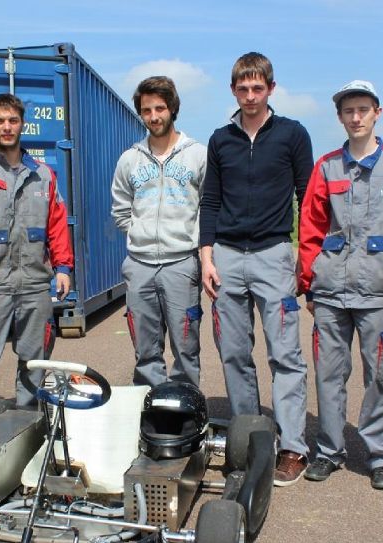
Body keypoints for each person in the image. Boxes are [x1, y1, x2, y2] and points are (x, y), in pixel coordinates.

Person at [298, 80, 383, 490]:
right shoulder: (326, 167)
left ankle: (379, 455)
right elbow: (310, 227)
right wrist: (309, 282)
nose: (356, 117)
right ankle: (330, 451)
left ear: (377, 113)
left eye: (363, 109)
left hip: (378, 293)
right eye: (348, 111)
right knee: (328, 375)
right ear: (340, 117)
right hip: (332, 292)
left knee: (379, 377)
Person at [199, 52, 314, 486]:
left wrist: (305, 251)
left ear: (270, 88)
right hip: (227, 256)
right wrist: (206, 256)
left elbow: (308, 196)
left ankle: (292, 447)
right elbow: (210, 201)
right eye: (242, 89)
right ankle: (248, 439)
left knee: (285, 354)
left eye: (257, 88)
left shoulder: (292, 135)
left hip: (273, 255)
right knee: (233, 352)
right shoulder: (220, 139)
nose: (250, 96)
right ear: (233, 91)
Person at [0, 93, 73, 410]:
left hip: (34, 286)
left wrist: (63, 267)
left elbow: (57, 224)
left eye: (13, 120)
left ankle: (28, 429)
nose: (7, 127)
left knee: (34, 365)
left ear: (22, 124)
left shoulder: (43, 174)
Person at [111, 76, 206, 387]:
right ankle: (151, 413)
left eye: (160, 108)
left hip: (181, 264)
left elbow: (209, 206)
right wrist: (139, 234)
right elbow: (121, 209)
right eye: (146, 110)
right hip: (139, 266)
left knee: (185, 347)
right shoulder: (130, 159)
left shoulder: (198, 155)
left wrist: (193, 245)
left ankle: (186, 414)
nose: (154, 116)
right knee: (145, 350)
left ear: (173, 108)